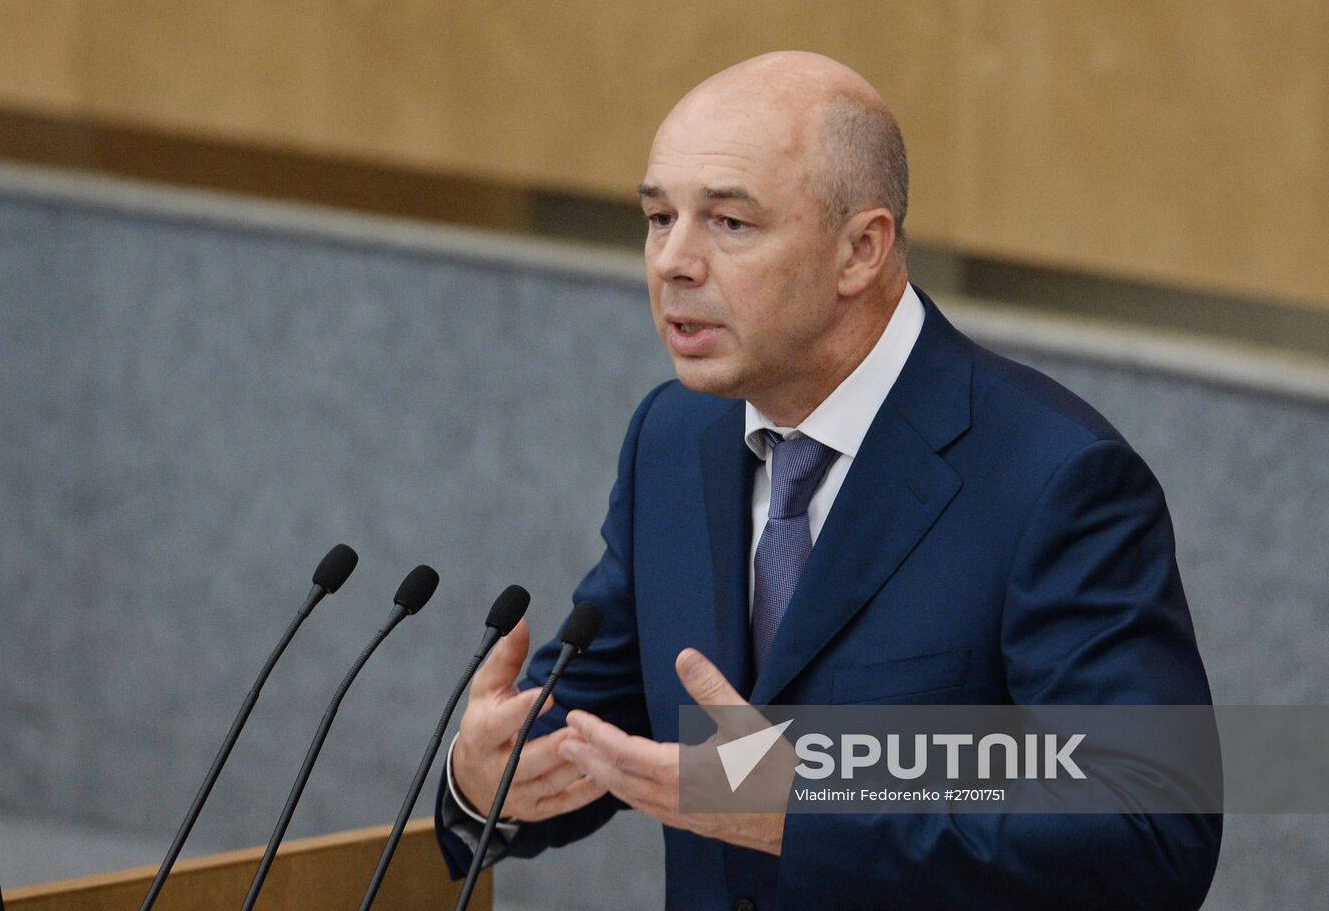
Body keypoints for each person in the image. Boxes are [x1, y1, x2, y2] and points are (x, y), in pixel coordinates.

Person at [434, 51, 1221, 909]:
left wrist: (800, 809)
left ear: (861, 251)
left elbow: (1150, 834)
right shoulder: (673, 439)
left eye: (730, 223)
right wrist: (486, 777)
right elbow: (591, 722)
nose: (673, 263)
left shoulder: (1056, 482)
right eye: (660, 218)